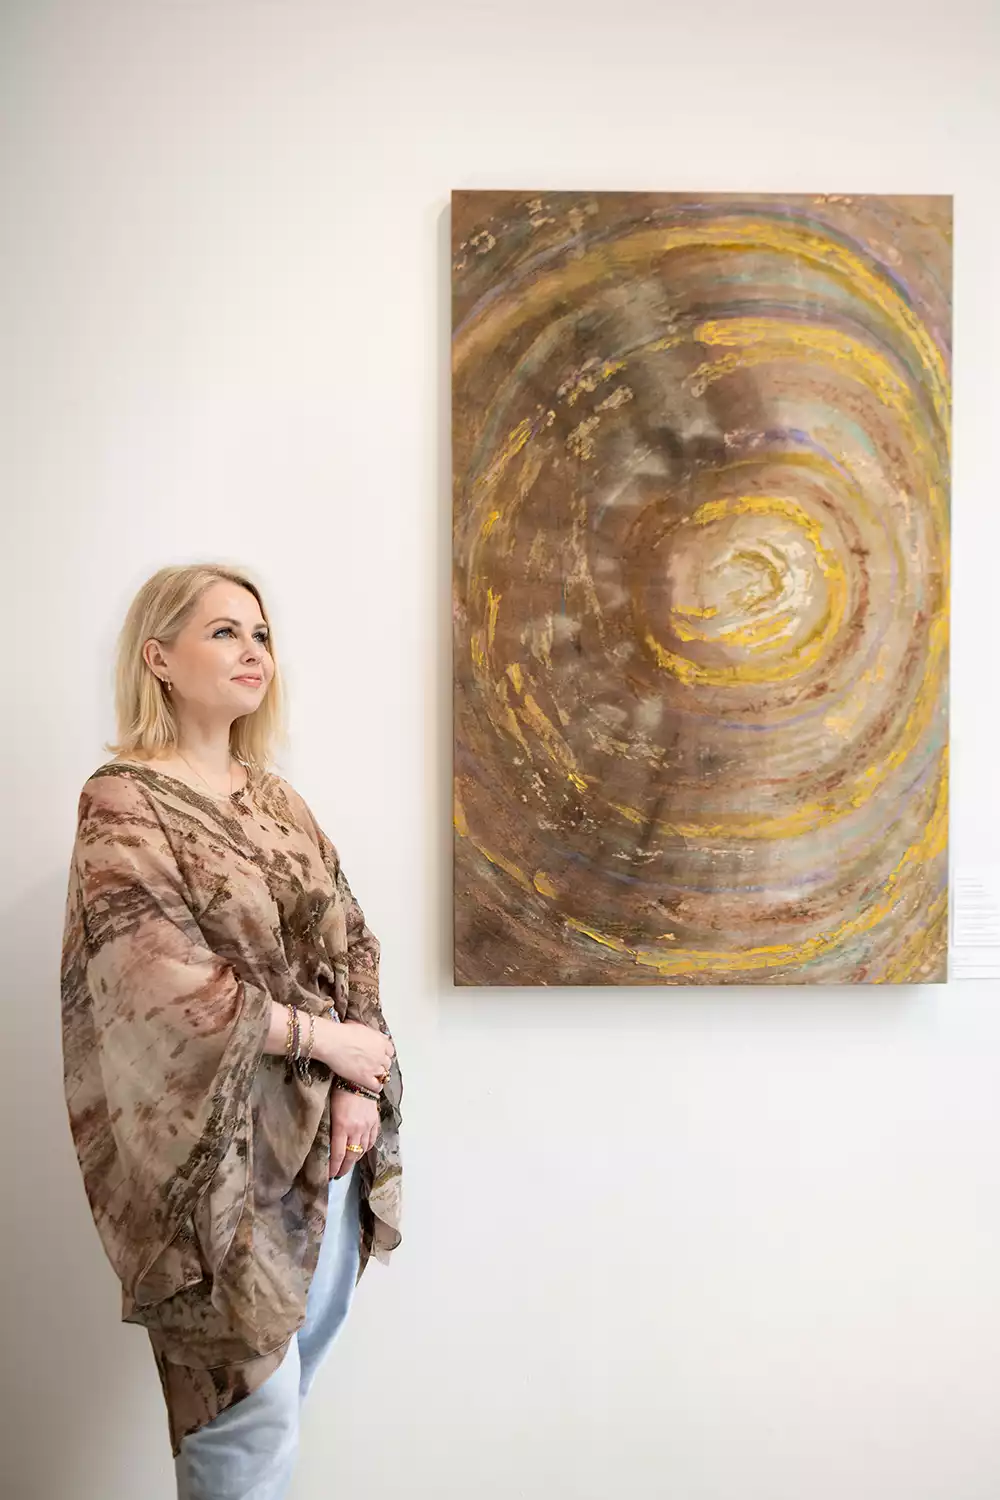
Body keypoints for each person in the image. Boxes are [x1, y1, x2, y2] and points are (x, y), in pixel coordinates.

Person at [60, 562, 403, 1500]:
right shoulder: (124, 800)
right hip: (213, 1164)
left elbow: (353, 938)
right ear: (159, 658)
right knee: (243, 1420)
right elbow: (150, 978)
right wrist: (320, 1041)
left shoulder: (278, 799)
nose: (252, 651)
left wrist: (354, 1085)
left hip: (323, 1146)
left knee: (282, 1403)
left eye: (261, 634)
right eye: (223, 632)